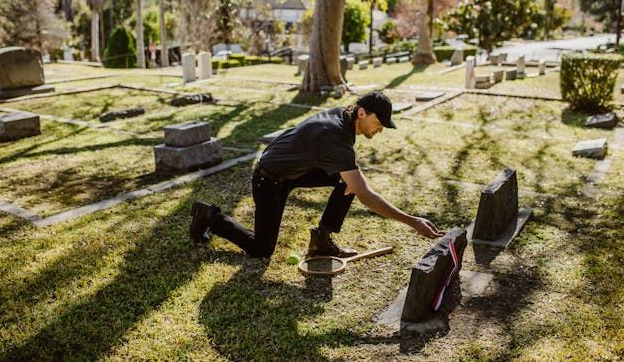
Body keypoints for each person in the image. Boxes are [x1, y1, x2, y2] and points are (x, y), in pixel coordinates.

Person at [189, 91, 443, 258]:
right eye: (379, 123)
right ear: (362, 113)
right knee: (261, 250)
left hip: (292, 171)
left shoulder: (343, 116)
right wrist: (412, 221)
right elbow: (365, 195)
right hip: (269, 179)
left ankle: (321, 240)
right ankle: (210, 215)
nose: (380, 130)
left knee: (348, 180)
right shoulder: (335, 140)